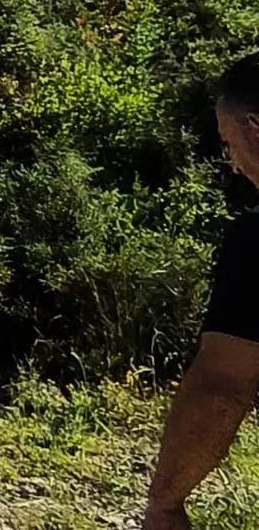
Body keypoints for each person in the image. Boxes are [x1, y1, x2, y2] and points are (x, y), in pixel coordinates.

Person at [144, 53, 259, 530]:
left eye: (229, 143)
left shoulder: (256, 246)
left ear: (256, 127)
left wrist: (164, 504)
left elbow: (221, 389)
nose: (233, 165)